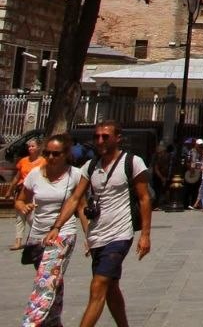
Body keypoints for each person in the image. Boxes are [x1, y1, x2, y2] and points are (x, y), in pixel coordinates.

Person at [44, 120, 151, 327]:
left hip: (120, 235)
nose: (100, 140)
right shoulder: (90, 166)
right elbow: (75, 198)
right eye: (97, 136)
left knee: (98, 286)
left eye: (105, 136)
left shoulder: (132, 162)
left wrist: (145, 235)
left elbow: (144, 198)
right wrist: (57, 226)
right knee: (110, 287)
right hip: (96, 235)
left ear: (117, 138)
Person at [16, 133, 85, 327]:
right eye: (47, 153)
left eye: (56, 154)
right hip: (38, 235)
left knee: (46, 279)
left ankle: (31, 323)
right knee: (53, 280)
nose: (51, 158)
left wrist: (90, 238)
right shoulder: (35, 174)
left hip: (63, 233)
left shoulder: (76, 175)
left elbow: (81, 207)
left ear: (66, 154)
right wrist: (23, 207)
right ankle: (54, 323)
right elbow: (21, 199)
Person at [9, 137, 44, 251]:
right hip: (21, 191)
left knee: (31, 216)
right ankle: (18, 241)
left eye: (33, 146)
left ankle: (38, 238)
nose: (30, 148)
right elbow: (17, 177)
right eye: (29, 146)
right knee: (19, 216)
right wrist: (10, 190)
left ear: (38, 147)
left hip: (35, 193)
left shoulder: (44, 161)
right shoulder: (23, 161)